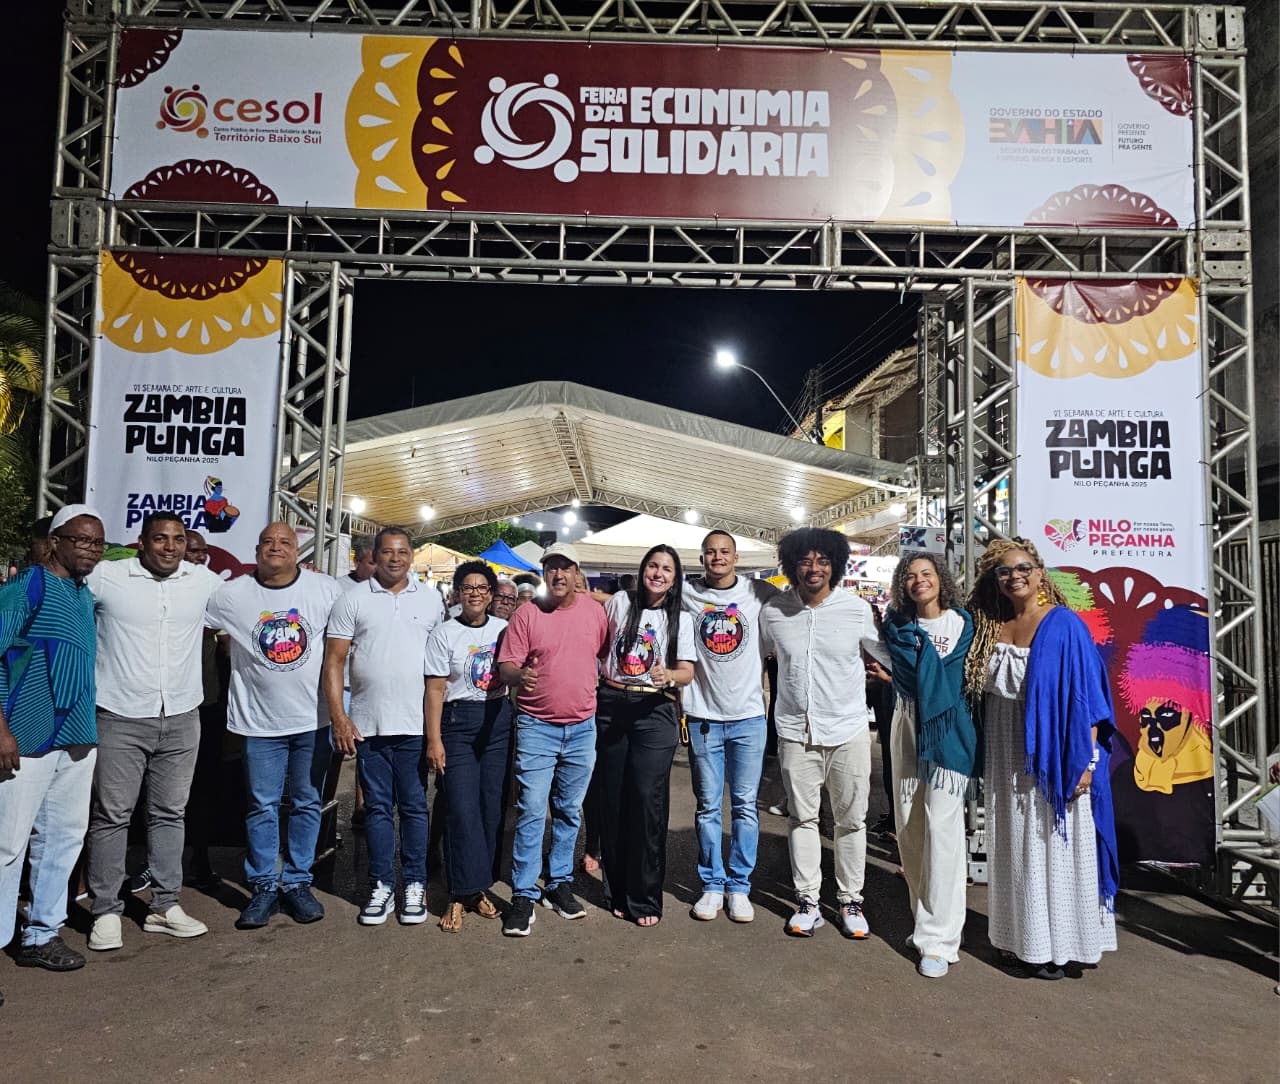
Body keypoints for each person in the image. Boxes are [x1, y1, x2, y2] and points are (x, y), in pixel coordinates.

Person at [965, 537, 1119, 980]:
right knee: (1015, 844)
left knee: (1055, 845)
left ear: (1039, 573)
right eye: (1004, 571)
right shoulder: (990, 625)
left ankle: (1063, 945)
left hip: (1056, 755)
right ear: (994, 580)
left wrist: (1087, 763)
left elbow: (1089, 699)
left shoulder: (1064, 624)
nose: (1015, 576)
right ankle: (1021, 940)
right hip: (1005, 750)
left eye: (1023, 568)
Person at [83, 512, 222, 951]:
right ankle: (105, 911)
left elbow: (254, 604)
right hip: (119, 715)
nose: (170, 547)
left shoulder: (203, 581)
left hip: (181, 716)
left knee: (169, 815)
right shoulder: (106, 577)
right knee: (112, 816)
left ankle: (164, 906)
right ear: (141, 542)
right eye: (160, 539)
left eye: (178, 539)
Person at [205, 522, 343, 930]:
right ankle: (264, 884)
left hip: (313, 719)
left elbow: (346, 640)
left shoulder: (325, 589)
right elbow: (193, 625)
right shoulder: (231, 595)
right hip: (259, 722)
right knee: (261, 805)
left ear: (298, 551)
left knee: (306, 801)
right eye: (268, 542)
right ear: (257, 550)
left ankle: (298, 881)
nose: (276, 547)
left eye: (285, 542)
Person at [0, 505, 104, 992]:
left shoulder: (84, 595)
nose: (90, 550)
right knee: (7, 845)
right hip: (26, 738)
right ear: (54, 542)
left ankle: (42, 934)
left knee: (63, 839)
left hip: (77, 737)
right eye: (80, 540)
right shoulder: (25, 589)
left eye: (97, 543)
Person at [760, 527, 878, 939]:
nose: (814, 568)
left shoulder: (857, 610)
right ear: (792, 565)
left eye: (823, 560)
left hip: (848, 730)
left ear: (836, 565)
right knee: (802, 818)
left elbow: (886, 655)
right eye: (805, 560)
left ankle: (850, 900)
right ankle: (808, 901)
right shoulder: (774, 611)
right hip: (796, 731)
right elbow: (751, 658)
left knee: (851, 820)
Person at [324, 526, 444, 926]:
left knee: (414, 808)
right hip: (368, 725)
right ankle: (380, 884)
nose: (395, 558)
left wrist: (436, 730)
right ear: (374, 556)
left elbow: (438, 669)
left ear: (411, 556)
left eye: (402, 551)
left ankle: (414, 883)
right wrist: (339, 716)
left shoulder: (430, 601)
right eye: (388, 552)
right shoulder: (352, 599)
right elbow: (333, 661)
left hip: (414, 725)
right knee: (376, 809)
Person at [869, 554, 977, 978]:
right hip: (908, 724)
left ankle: (939, 940)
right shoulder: (896, 628)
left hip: (950, 730)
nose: (919, 581)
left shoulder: (965, 626)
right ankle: (925, 919)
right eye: (911, 576)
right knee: (910, 826)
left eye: (926, 573)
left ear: (941, 579)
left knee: (943, 830)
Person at [496, 542, 608, 937]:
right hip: (536, 727)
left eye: (565, 568)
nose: (558, 574)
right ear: (544, 573)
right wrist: (517, 675)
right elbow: (507, 664)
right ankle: (524, 893)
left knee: (569, 811)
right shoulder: (527, 614)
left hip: (582, 728)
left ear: (577, 573)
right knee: (530, 811)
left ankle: (559, 884)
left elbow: (605, 655)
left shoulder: (595, 613)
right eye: (551, 567)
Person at [596, 545, 696, 926]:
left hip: (653, 710)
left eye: (667, 569)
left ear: (674, 578)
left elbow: (687, 671)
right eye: (653, 566)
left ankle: (644, 897)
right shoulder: (621, 603)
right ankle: (617, 890)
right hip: (611, 704)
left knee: (646, 802)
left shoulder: (680, 618)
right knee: (613, 800)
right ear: (642, 570)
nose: (658, 573)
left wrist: (669, 675)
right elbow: (598, 641)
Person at [682, 529, 778, 924]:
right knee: (707, 807)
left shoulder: (761, 592)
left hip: (749, 719)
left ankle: (739, 886)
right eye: (711, 552)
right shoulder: (686, 593)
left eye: (724, 551)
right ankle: (712, 884)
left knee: (744, 807)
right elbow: (640, 597)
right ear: (702, 558)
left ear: (736, 558)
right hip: (704, 718)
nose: (717, 557)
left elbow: (800, 610)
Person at [424, 561, 512, 931]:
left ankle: (478, 889)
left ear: (491, 594)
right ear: (458, 593)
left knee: (490, 808)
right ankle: (457, 894)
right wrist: (434, 740)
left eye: (482, 587)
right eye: (468, 587)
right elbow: (434, 690)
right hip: (457, 723)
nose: (475, 593)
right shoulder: (443, 633)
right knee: (460, 808)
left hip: (497, 722)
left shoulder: (505, 629)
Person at [181, 528, 228, 890]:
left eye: (202, 552)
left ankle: (200, 858)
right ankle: (156, 861)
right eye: (191, 550)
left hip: (205, 705)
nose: (198, 557)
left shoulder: (213, 589)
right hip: (161, 709)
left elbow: (228, 645)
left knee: (203, 789)